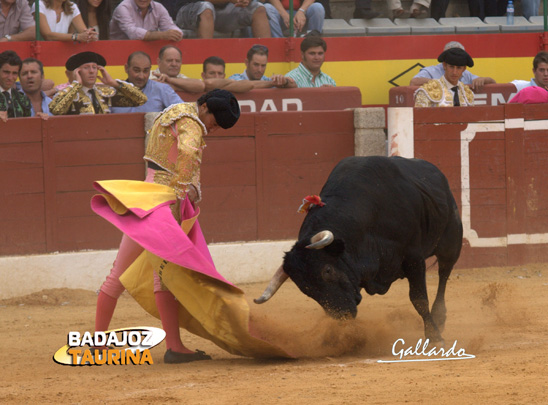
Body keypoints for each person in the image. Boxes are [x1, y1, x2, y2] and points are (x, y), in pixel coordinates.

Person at [93, 89, 240, 364]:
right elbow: (186, 152)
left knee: (130, 275)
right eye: (215, 122)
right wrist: (182, 192)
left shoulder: (173, 111)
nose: (214, 128)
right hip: (162, 203)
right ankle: (172, 346)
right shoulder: (192, 122)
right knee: (157, 276)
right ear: (205, 107)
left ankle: (103, 343)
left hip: (146, 196)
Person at [49, 51, 147, 115]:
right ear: (78, 72)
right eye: (86, 67)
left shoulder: (104, 92)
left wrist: (114, 83)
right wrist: (76, 84)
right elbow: (56, 109)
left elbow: (140, 99)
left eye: (94, 67)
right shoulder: (70, 93)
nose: (92, 71)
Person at [111, 51, 183, 113]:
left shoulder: (162, 89)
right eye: (136, 70)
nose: (141, 76)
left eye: (145, 71)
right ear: (126, 68)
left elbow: (184, 112)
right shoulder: (112, 91)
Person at [410, 41, 496, 92]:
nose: (455, 71)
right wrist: (441, 83)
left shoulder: (466, 74)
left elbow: (493, 84)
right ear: (444, 63)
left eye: (459, 67)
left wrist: (484, 79)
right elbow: (414, 82)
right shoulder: (431, 71)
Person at [174, 0, 271, 39]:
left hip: (222, 12)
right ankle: (205, 60)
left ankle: (265, 60)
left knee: (259, 8)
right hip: (186, 10)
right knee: (206, 8)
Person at [109, 0, 183, 41]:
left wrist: (176, 34)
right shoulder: (123, 7)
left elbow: (172, 27)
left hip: (148, 53)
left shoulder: (158, 7)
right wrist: (163, 35)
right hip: (119, 52)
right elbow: (133, 33)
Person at [31, 0, 98, 42]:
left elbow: (83, 31)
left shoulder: (72, 7)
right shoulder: (39, 4)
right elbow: (48, 36)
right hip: (41, 52)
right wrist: (76, 37)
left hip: (63, 52)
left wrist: (89, 34)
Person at [0, 50, 31, 121]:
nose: (10, 77)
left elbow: (27, 125)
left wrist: (37, 118)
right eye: (6, 72)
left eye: (14, 73)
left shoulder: (22, 99)